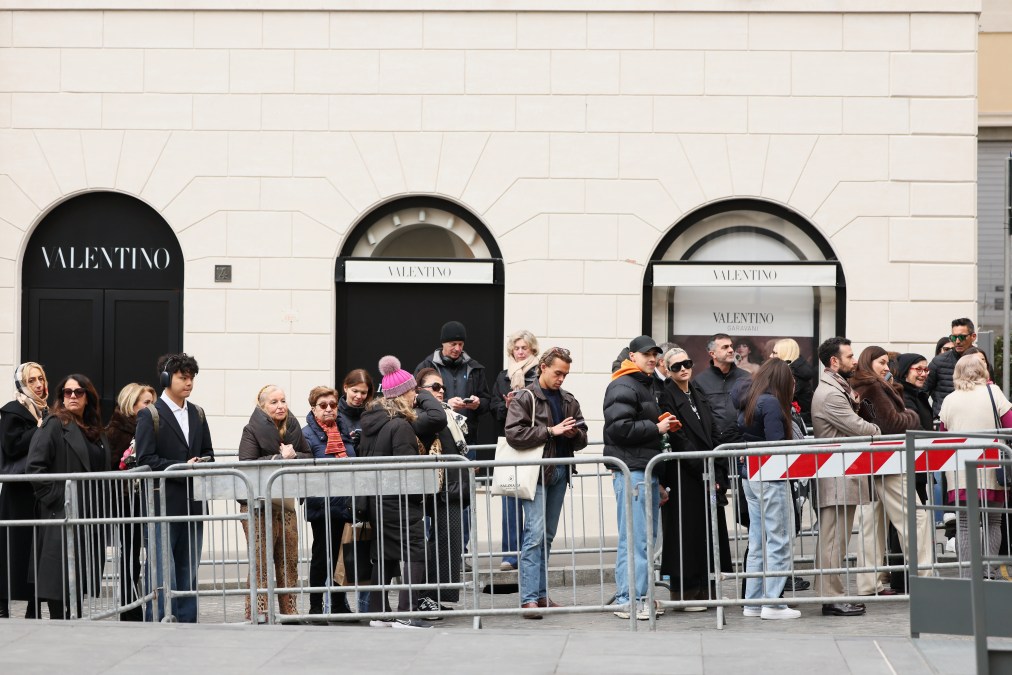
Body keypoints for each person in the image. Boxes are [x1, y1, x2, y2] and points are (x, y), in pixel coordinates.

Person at [505, 347, 588, 619]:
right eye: (557, 373)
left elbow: (583, 437)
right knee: (535, 534)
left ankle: (541, 596)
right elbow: (513, 434)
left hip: (560, 472)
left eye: (565, 374)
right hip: (536, 474)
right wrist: (551, 431)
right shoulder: (525, 396)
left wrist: (574, 434)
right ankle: (529, 598)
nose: (561, 378)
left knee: (547, 536)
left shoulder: (568, 399)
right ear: (543, 368)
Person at [604, 335, 681, 620]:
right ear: (632, 356)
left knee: (641, 539)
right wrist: (657, 428)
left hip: (642, 470)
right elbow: (619, 428)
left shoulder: (641, 384)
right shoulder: (624, 384)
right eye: (646, 354)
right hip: (632, 470)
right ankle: (630, 600)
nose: (652, 358)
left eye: (654, 354)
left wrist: (657, 478)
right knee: (637, 540)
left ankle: (637, 598)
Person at [134, 353, 214, 623]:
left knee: (188, 569)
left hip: (193, 503)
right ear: (167, 379)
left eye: (191, 378)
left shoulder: (197, 413)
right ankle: (159, 619)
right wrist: (181, 467)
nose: (189, 383)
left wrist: (203, 462)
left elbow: (208, 452)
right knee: (161, 570)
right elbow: (146, 459)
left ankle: (188, 622)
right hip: (163, 505)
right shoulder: (150, 415)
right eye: (183, 378)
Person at [849, 347, 934, 597]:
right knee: (916, 519)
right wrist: (910, 415)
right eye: (882, 362)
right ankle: (925, 579)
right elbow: (891, 424)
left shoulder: (862, 386)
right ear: (869, 362)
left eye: (887, 363)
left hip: (874, 462)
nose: (887, 367)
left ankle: (868, 583)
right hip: (888, 462)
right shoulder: (873, 387)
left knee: (872, 525)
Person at [25, 374, 109, 619]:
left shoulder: (96, 431)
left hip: (89, 517)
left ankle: (74, 630)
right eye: (67, 392)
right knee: (58, 584)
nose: (72, 396)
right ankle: (59, 632)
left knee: (79, 582)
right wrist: (59, 498)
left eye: (79, 392)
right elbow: (34, 467)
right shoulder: (54, 424)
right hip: (61, 515)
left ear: (88, 397)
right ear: (61, 396)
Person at [358, 356, 432, 629]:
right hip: (399, 500)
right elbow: (407, 470)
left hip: (377, 500)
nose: (416, 395)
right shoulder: (400, 425)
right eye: (412, 390)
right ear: (401, 394)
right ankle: (407, 613)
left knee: (385, 553)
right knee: (416, 550)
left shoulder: (372, 422)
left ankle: (379, 612)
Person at [657, 348, 732, 608]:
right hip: (684, 475)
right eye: (676, 366)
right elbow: (678, 438)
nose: (683, 369)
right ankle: (686, 594)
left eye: (687, 364)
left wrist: (717, 467)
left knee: (709, 532)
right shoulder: (666, 396)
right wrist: (704, 468)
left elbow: (714, 429)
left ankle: (708, 590)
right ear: (667, 370)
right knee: (686, 534)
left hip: (707, 470)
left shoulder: (697, 391)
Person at [811, 337, 880, 617]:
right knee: (833, 540)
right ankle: (831, 598)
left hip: (842, 472)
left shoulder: (838, 387)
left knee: (836, 539)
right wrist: (877, 429)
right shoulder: (831, 393)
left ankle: (831, 595)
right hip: (837, 475)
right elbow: (858, 427)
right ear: (834, 361)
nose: (854, 360)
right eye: (849, 356)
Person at [238, 385, 313, 623]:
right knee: (260, 561)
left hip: (285, 502)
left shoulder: (292, 426)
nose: (280, 406)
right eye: (274, 402)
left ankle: (289, 610)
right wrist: (279, 458)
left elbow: (309, 455)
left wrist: (294, 455)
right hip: (257, 505)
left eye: (283, 400)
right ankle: (258, 611)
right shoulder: (251, 429)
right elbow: (247, 463)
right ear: (262, 406)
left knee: (288, 560)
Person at [735, 358, 802, 620]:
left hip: (751, 476)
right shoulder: (772, 403)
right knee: (779, 540)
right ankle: (773, 603)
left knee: (757, 542)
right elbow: (777, 445)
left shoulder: (750, 400)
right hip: (771, 477)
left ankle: (753, 602)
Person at [939, 355, 1012, 578]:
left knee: (964, 523)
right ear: (982, 370)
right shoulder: (993, 392)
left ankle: (967, 574)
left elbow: (942, 433)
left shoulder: (949, 399)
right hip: (991, 468)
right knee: (993, 521)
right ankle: (988, 571)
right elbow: (1009, 424)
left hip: (959, 470)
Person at [412, 367, 470, 616]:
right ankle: (423, 596)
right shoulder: (422, 414)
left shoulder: (445, 413)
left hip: (452, 487)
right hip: (432, 488)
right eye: (434, 387)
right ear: (421, 391)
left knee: (450, 541)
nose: (441, 391)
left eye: (442, 387)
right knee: (433, 543)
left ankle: (437, 594)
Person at [301, 385, 355, 621]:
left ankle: (338, 604)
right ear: (313, 408)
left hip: (346, 504)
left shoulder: (345, 431)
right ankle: (315, 606)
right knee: (322, 558)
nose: (329, 409)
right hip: (322, 506)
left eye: (333, 405)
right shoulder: (306, 434)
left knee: (343, 557)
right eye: (323, 405)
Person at [0, 362, 49, 619]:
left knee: (36, 550)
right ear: (22, 384)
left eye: (41, 379)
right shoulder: (13, 410)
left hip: (37, 492)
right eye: (32, 380)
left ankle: (34, 606)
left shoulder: (46, 411)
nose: (39, 385)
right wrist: (39, 428)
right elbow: (12, 446)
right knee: (12, 549)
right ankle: (2, 605)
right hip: (17, 494)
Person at [104, 382, 156, 622]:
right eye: (146, 403)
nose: (151, 407)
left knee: (150, 553)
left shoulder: (152, 427)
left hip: (148, 498)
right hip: (127, 501)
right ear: (131, 404)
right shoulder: (116, 431)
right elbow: (112, 468)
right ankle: (129, 607)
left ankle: (144, 603)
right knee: (130, 555)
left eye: (153, 403)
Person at [490, 329, 540, 571]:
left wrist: (522, 404)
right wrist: (507, 405)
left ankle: (531, 553)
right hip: (510, 442)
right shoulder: (504, 376)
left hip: (534, 441)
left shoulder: (539, 374)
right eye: (516, 348)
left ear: (532, 350)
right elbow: (494, 407)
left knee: (532, 500)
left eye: (524, 348)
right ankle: (510, 555)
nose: (520, 352)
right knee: (509, 498)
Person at [414, 321, 490, 444]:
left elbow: (487, 401)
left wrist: (478, 404)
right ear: (443, 343)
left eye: (461, 344)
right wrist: (446, 404)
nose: (457, 349)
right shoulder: (425, 367)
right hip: (436, 439)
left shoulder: (474, 368)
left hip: (467, 440)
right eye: (453, 344)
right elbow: (415, 399)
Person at [337, 368, 373, 612]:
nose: (359, 396)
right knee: (337, 550)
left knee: (366, 548)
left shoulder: (371, 414)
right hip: (341, 491)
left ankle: (366, 606)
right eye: (355, 391)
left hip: (365, 490)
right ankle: (336, 604)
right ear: (345, 388)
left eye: (364, 392)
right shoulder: (334, 412)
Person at [693, 333, 751, 436]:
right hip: (714, 441)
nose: (731, 350)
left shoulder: (746, 378)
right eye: (725, 347)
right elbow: (699, 415)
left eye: (731, 346)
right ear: (713, 354)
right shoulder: (699, 381)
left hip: (743, 439)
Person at [925, 318, 976, 418]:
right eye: (954, 337)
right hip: (943, 420)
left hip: (972, 419)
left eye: (962, 337)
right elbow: (922, 392)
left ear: (973, 337)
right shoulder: (938, 362)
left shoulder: (981, 361)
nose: (957, 341)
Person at [772, 338, 815, 422]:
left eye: (774, 353)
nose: (771, 356)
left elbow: (781, 400)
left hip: (797, 423)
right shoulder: (794, 372)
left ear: (785, 354)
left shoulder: (794, 375)